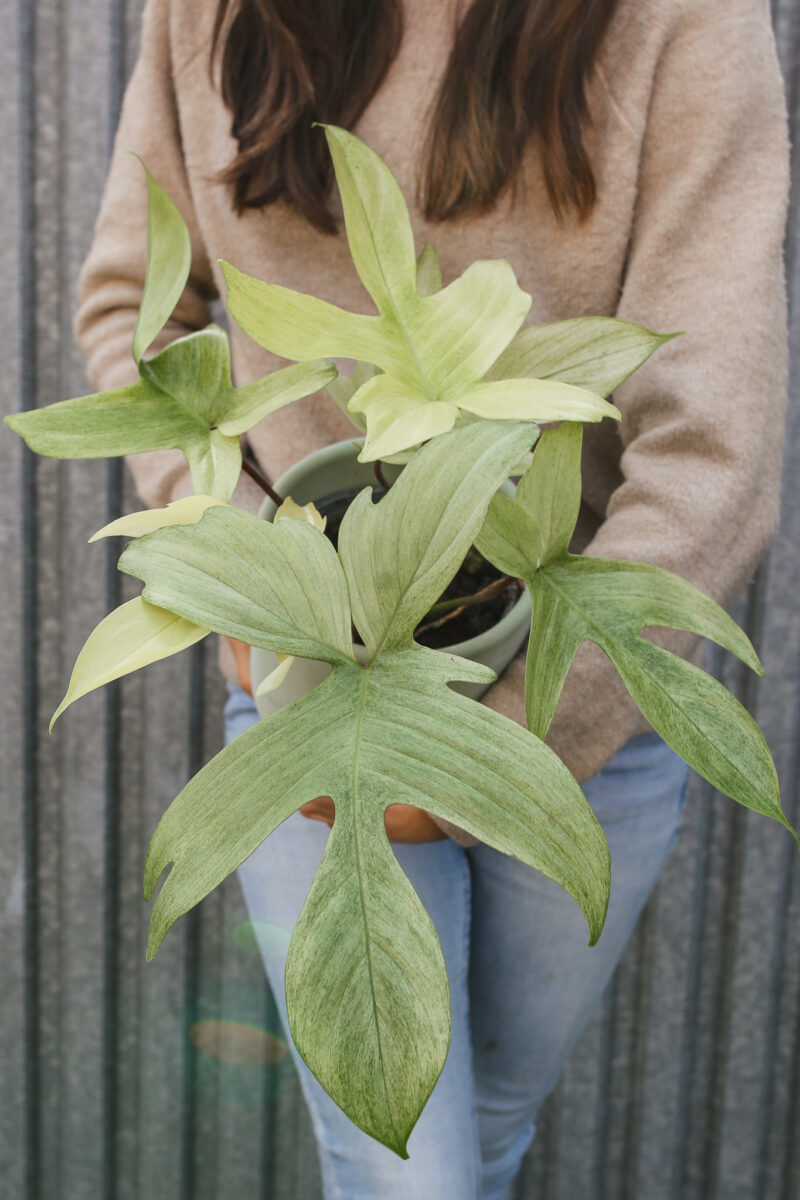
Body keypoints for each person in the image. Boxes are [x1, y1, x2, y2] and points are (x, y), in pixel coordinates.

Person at [73, 0, 790, 1195]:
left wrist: (486, 757)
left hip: (578, 716)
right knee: (405, 1174)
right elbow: (133, 317)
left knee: (487, 1130)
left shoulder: (679, 20)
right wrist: (246, 577)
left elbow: (711, 441)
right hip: (311, 689)